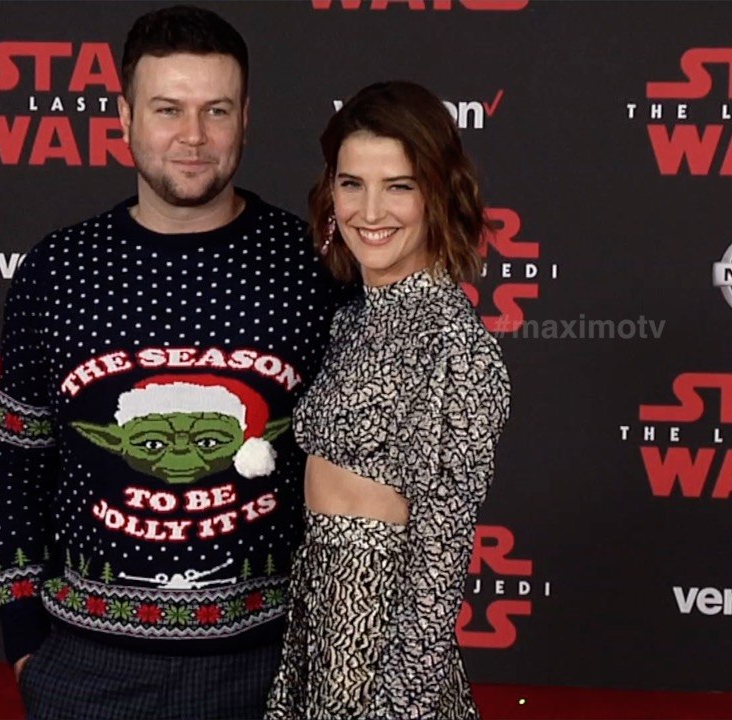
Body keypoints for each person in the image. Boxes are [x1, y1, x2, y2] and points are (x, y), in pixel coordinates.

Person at [0, 5, 338, 719]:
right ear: (125, 117)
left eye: (216, 110)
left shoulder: (312, 264)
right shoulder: (58, 270)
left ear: (246, 118)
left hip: (272, 665)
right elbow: (20, 466)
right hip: (87, 670)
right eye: (168, 109)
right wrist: (24, 641)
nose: (193, 136)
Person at [266, 81, 512, 720]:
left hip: (380, 652)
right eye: (352, 184)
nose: (370, 211)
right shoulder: (352, 317)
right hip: (317, 627)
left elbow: (438, 564)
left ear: (439, 193)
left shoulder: (454, 344)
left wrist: (400, 703)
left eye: (399, 186)